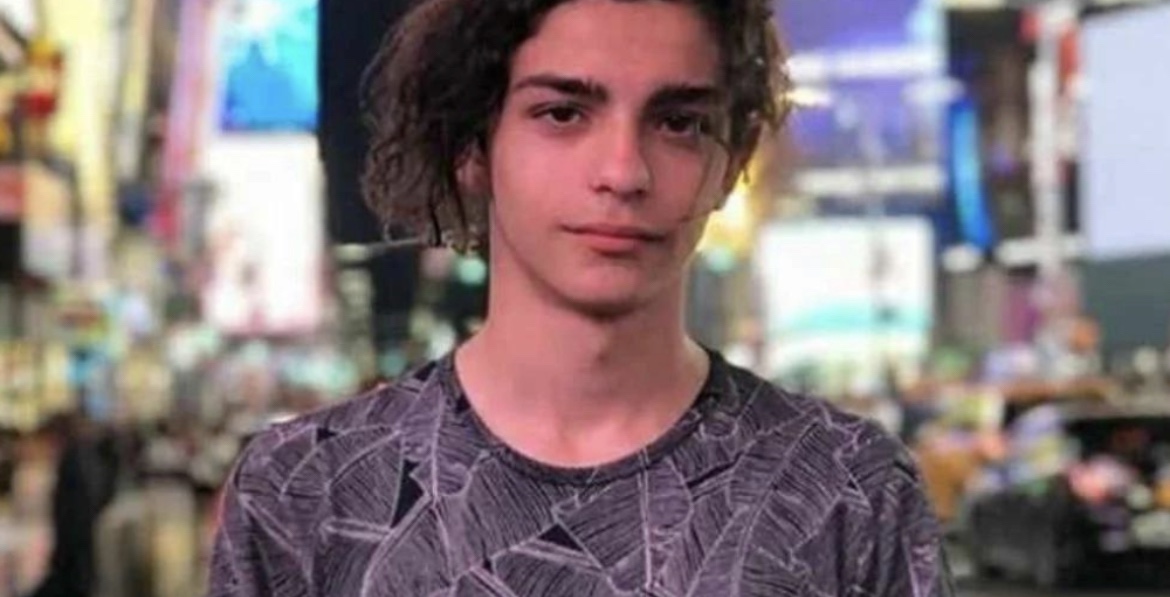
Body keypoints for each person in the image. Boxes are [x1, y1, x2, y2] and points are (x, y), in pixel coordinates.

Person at [207, 0, 955, 595]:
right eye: (563, 113)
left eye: (679, 123)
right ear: (472, 146)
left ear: (731, 162)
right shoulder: (306, 492)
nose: (623, 171)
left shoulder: (849, 493)